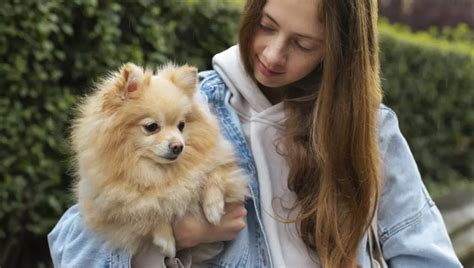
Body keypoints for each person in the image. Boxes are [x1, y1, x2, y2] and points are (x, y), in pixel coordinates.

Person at [48, 0, 462, 267]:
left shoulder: (369, 127)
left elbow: (425, 254)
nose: (272, 54)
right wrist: (179, 233)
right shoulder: (192, 111)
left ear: (340, 53)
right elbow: (72, 247)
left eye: (303, 44)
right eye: (266, 25)